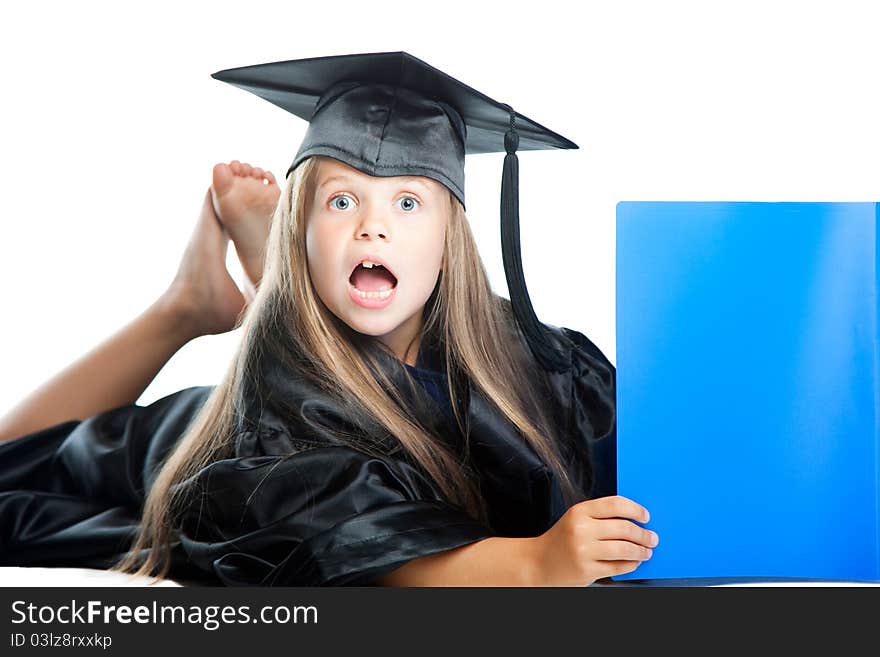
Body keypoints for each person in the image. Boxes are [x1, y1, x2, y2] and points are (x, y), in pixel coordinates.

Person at [0, 53, 659, 586]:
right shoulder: (282, 437)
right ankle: (190, 304)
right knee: (17, 465)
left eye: (407, 201)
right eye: (342, 200)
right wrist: (533, 564)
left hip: (356, 375)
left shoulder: (536, 359)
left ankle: (281, 297)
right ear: (304, 228)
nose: (374, 223)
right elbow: (378, 550)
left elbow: (639, 443)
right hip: (213, 435)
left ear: (450, 240)